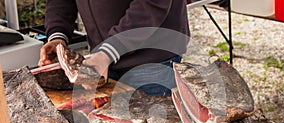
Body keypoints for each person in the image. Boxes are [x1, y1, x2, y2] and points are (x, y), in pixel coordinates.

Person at [38, 0, 190, 96]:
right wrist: (58, 35)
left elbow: (151, 4)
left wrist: (108, 51)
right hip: (104, 58)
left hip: (152, 59)